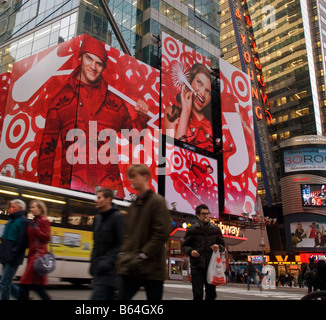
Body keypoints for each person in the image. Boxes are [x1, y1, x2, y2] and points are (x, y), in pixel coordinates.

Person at [37, 35, 150, 199]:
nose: (93, 66)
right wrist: (45, 193)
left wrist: (141, 117)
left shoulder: (115, 103)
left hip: (111, 194)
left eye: (99, 63)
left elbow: (134, 137)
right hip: (72, 192)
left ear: (103, 67)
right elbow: (47, 152)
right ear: (80, 57)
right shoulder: (60, 101)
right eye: (89, 58)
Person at [116, 164, 170, 300]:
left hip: (152, 268)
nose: (131, 180)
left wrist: (144, 254)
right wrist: (124, 253)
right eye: (130, 177)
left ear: (146, 177)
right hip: (133, 266)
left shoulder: (157, 201)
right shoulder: (133, 205)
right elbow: (127, 234)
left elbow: (162, 233)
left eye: (134, 176)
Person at [164, 63, 212, 150]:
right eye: (199, 83)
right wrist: (186, 112)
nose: (203, 94)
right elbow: (172, 151)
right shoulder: (171, 112)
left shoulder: (210, 124)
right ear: (190, 81)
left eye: (208, 91)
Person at [182, 204, 225, 300]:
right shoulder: (192, 229)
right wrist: (191, 251)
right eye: (203, 214)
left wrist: (218, 247)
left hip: (211, 266)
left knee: (211, 294)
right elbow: (184, 246)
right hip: (197, 266)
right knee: (198, 294)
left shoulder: (216, 229)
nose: (206, 216)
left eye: (207, 213)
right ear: (198, 215)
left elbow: (223, 246)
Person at [90, 188, 124, 300]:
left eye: (99, 198)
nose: (96, 200)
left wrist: (108, 261)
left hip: (110, 271)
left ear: (108, 199)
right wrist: (93, 262)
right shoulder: (98, 219)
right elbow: (96, 243)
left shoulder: (117, 217)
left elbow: (121, 243)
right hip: (98, 269)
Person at [18, 200, 52, 300]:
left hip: (38, 257)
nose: (31, 209)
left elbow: (46, 237)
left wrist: (36, 229)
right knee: (37, 287)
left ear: (40, 209)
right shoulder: (34, 221)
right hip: (33, 255)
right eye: (30, 207)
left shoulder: (43, 221)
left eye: (33, 207)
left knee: (24, 284)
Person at [0, 199, 29, 300]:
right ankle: (22, 297)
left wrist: (14, 254)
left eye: (14, 207)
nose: (11, 209)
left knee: (4, 282)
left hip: (12, 257)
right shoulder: (11, 219)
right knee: (6, 281)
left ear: (20, 208)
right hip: (6, 255)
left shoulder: (23, 221)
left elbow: (23, 241)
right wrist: (1, 249)